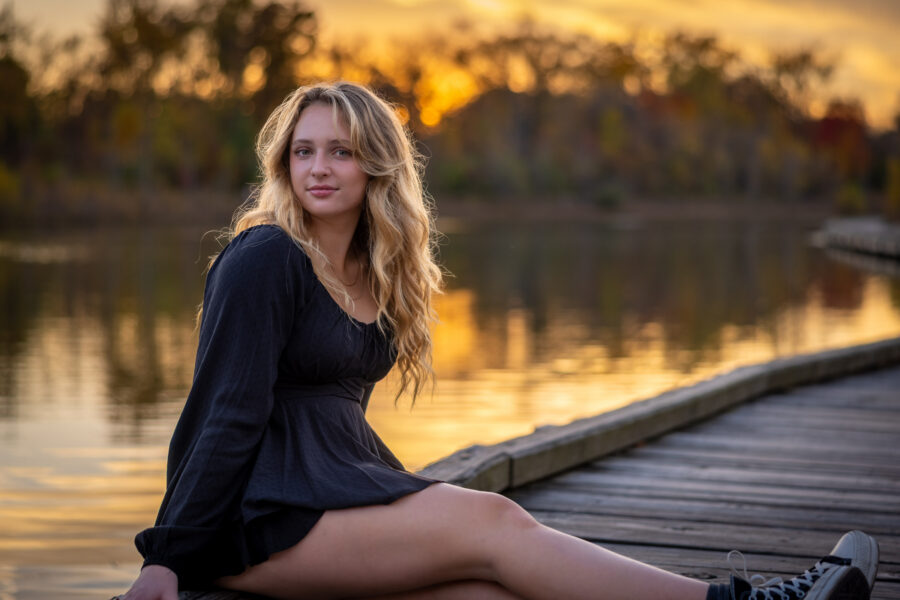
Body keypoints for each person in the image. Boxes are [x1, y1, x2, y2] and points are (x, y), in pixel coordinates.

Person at [116, 81, 879, 600]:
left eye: (341, 150)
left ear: (375, 164)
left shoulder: (374, 268)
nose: (319, 167)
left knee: (489, 591)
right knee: (496, 521)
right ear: (283, 162)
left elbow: (329, 416)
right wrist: (168, 558)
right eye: (304, 150)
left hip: (331, 498)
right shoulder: (265, 257)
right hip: (255, 520)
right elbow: (225, 413)